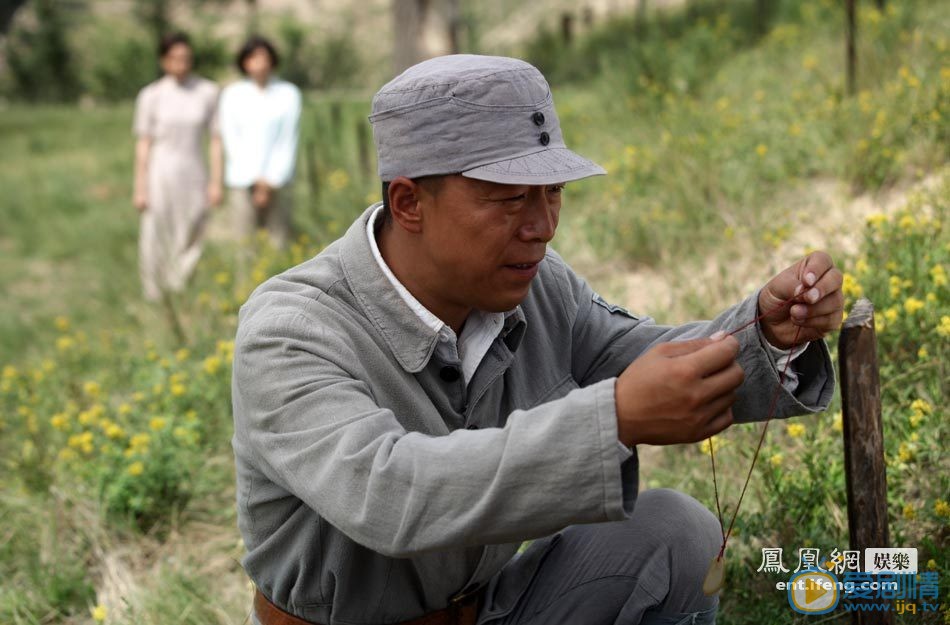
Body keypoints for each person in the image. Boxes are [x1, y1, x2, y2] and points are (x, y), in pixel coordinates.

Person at [231, 55, 842, 625]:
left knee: (675, 533)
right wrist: (615, 419)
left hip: (490, 609)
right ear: (409, 200)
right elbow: (390, 492)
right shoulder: (293, 329)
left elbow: (636, 356)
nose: (543, 227)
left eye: (554, 193)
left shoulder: (537, 286)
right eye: (510, 199)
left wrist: (764, 334)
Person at [132, 32, 222, 302]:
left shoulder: (208, 91)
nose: (181, 64)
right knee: (156, 230)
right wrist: (140, 187)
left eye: (185, 58)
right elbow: (144, 143)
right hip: (160, 171)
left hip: (193, 169)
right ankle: (154, 291)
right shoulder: (151, 95)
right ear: (163, 61)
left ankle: (180, 283)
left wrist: (216, 181)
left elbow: (216, 140)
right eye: (174, 59)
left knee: (193, 226)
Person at [218, 36, 301, 249]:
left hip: (278, 181)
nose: (259, 63)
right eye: (253, 58)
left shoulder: (288, 93)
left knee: (278, 243)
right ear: (244, 62)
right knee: (244, 245)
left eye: (264, 58)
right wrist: (254, 179)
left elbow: (287, 140)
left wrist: (271, 180)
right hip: (242, 180)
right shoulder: (232, 95)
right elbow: (232, 141)